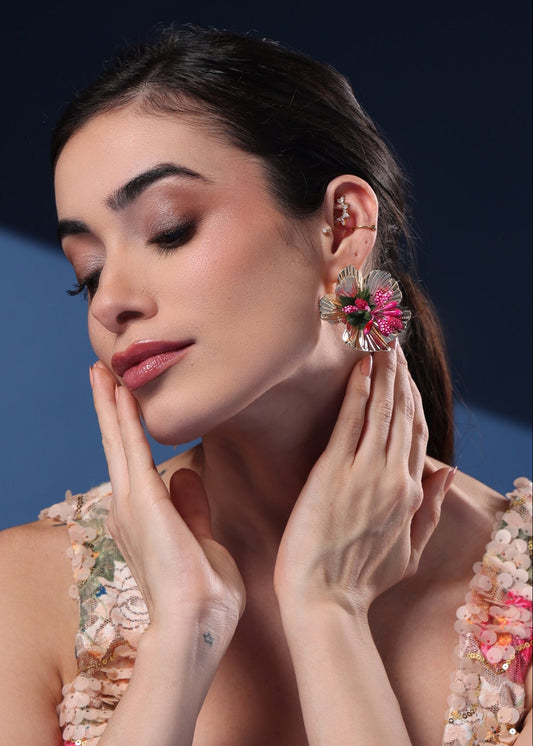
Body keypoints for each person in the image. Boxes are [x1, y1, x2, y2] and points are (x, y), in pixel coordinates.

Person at [0, 26, 530, 746]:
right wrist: (182, 635)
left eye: (169, 229)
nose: (109, 302)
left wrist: (328, 608)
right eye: (87, 274)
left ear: (340, 226)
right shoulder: (24, 594)